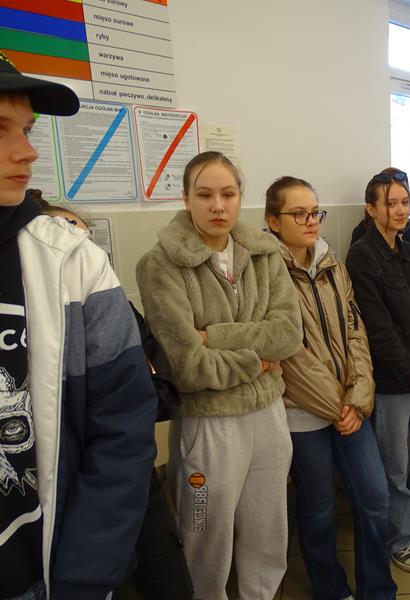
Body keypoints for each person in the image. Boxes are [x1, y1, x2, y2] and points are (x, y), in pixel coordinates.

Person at [0, 52, 158, 599]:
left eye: (26, 129)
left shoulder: (72, 262)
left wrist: (85, 573)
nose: (28, 151)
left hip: (46, 572)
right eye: (0, 129)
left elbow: (124, 425)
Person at [136, 151, 303, 599]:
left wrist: (214, 336)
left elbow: (289, 334)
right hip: (209, 421)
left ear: (240, 197)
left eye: (228, 194)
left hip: (267, 415)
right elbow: (187, 367)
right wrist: (258, 361)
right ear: (186, 198)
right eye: (205, 194)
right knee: (205, 534)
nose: (217, 206)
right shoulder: (161, 264)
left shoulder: (265, 253)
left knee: (268, 529)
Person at [32, 199, 194, 600]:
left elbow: (162, 385)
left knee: (170, 582)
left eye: (81, 234)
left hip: (133, 480)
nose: (75, 243)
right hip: (66, 491)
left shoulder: (116, 307)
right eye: (62, 234)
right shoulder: (33, 322)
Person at [265, 176, 396, 600]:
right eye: (298, 213)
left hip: (348, 408)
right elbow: (290, 354)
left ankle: (378, 590)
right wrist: (338, 405)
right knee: (319, 510)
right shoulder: (266, 272)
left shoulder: (332, 264)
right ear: (273, 221)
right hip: (302, 414)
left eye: (315, 212)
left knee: (375, 499)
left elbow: (356, 332)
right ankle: (331, 589)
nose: (310, 221)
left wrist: (357, 399)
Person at [345, 168, 410, 573]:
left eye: (405, 202)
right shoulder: (362, 255)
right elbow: (377, 328)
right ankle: (400, 538)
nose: (400, 209)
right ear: (371, 209)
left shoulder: (409, 249)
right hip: (393, 381)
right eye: (391, 203)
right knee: (397, 466)